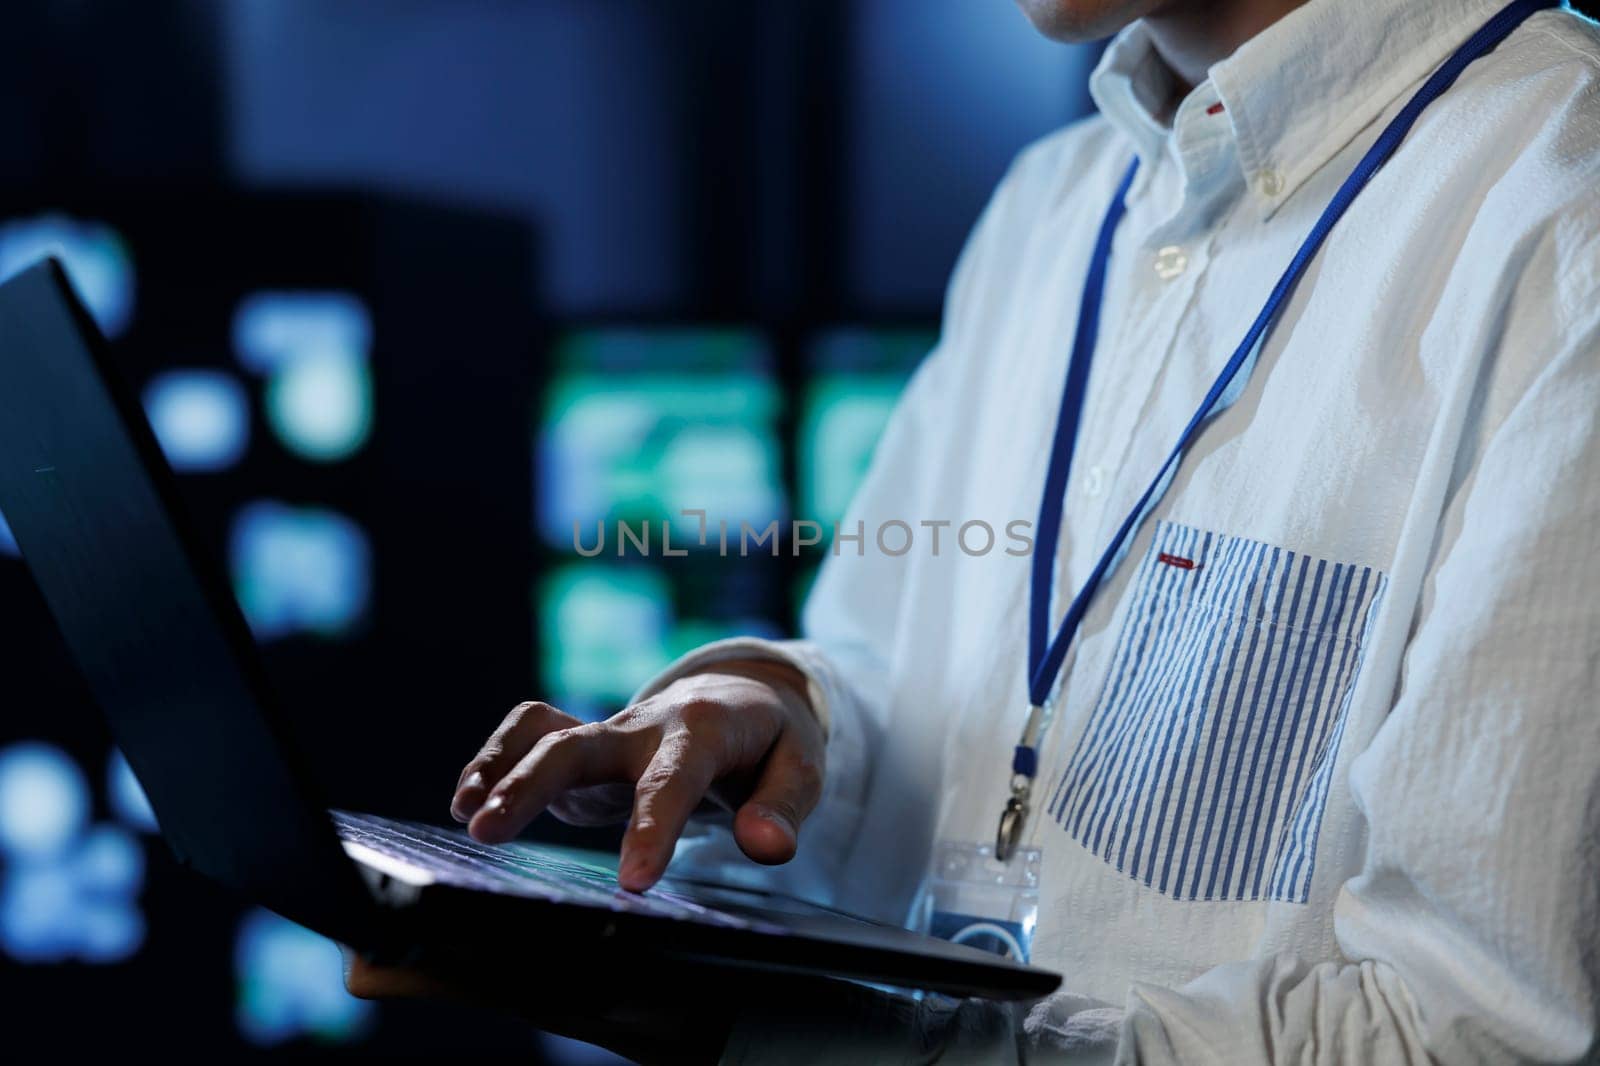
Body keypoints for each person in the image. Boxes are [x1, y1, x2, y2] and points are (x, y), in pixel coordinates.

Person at [353, 0, 1600, 1060]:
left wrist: (765, 1024)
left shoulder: (1564, 210)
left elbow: (1463, 1033)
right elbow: (914, 683)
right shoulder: (1050, 208)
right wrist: (775, 710)